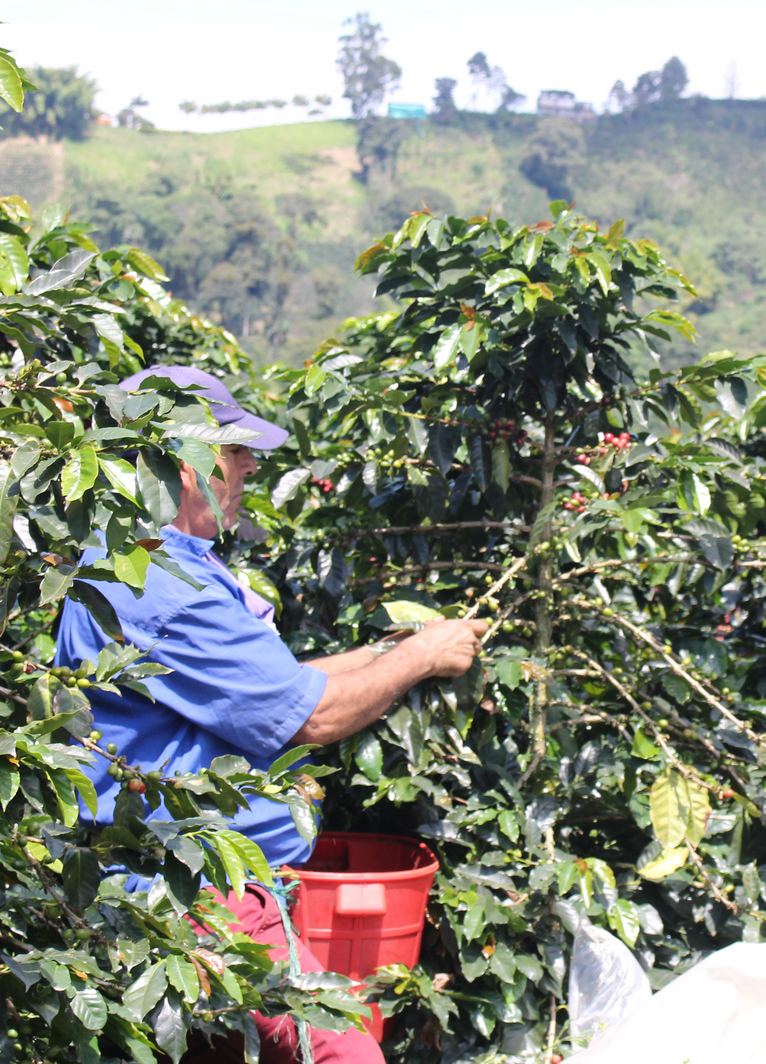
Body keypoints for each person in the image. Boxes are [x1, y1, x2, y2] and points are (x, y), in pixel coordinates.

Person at [56, 366, 487, 1064]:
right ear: (185, 466)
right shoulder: (162, 584)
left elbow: (272, 688)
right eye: (234, 452)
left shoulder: (152, 563)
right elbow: (306, 718)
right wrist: (422, 659)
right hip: (193, 903)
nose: (250, 466)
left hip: (190, 894)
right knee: (348, 1056)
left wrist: (389, 650)